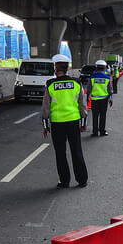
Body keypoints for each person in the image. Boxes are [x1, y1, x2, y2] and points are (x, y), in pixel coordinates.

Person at [41, 53, 89, 188]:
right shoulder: (76, 83)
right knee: (76, 151)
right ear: (67, 69)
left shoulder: (50, 84)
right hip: (74, 122)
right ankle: (82, 180)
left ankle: (64, 181)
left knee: (60, 153)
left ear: (56, 69)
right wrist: (84, 123)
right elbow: (82, 104)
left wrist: (45, 126)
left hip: (57, 123)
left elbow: (46, 107)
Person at [89, 59, 113, 136]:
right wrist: (111, 99)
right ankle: (102, 131)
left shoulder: (92, 77)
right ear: (104, 68)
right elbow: (110, 90)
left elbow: (89, 88)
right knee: (103, 116)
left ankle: (95, 132)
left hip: (94, 100)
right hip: (104, 100)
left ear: (96, 67)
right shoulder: (107, 77)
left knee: (95, 116)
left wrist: (87, 98)